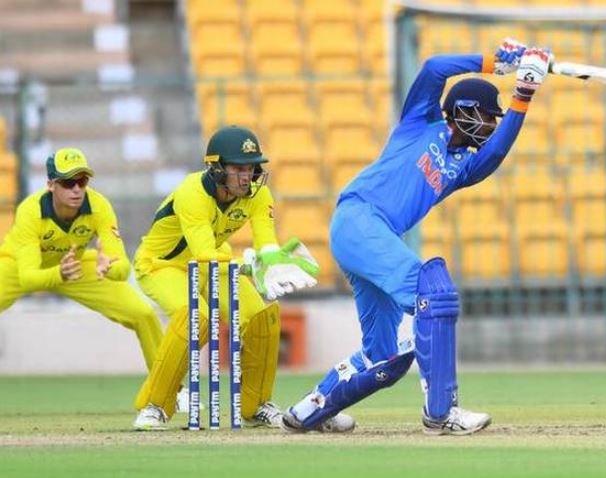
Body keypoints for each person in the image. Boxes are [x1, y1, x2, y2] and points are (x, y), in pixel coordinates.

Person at [280, 39, 553, 435]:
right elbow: (434, 67)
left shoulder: (463, 167)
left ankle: (310, 411)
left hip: (377, 236)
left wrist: (523, 95)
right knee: (435, 296)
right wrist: (496, 62)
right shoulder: (421, 120)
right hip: (360, 217)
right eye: (487, 117)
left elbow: (495, 153)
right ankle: (442, 413)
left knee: (384, 358)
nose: (491, 126)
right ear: (464, 111)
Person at [133, 125, 320, 430]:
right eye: (238, 169)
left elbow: (266, 244)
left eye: (252, 168)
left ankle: (256, 405)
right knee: (196, 317)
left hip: (216, 264)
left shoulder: (258, 195)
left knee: (260, 317)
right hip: (162, 265)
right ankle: (155, 406)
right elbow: (202, 252)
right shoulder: (192, 192)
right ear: (216, 168)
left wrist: (275, 261)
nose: (247, 177)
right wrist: (246, 265)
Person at [0, 147, 164, 373]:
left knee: (143, 314)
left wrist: (108, 267)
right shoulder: (30, 210)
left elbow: (123, 269)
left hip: (75, 268)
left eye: (82, 181)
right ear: (51, 185)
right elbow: (28, 278)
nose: (77, 189)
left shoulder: (99, 206)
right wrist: (59, 273)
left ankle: (171, 387)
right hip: (18, 266)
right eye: (68, 182)